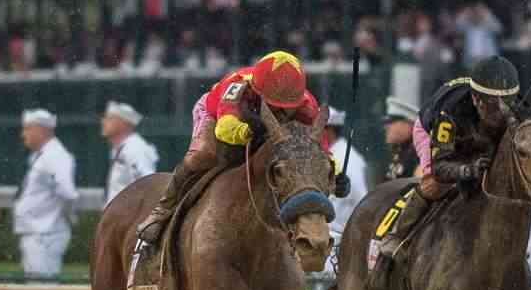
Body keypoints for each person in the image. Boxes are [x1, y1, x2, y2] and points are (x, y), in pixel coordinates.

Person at [368, 55, 523, 290]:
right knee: (435, 183)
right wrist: (468, 170)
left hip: (474, 136)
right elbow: (441, 167)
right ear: (476, 98)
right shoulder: (450, 110)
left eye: (505, 105)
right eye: (492, 107)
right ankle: (395, 241)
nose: (499, 114)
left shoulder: (511, 106)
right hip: (432, 133)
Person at [136, 50, 323, 247]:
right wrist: (248, 131)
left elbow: (317, 147)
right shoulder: (238, 84)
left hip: (258, 128)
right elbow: (224, 129)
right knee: (202, 156)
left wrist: (333, 170)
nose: (281, 112)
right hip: (216, 116)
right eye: (274, 105)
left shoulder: (308, 106)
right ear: (257, 91)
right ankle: (161, 211)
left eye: (288, 108)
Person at [15, 108, 77, 290]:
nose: (24, 135)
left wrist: (58, 220)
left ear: (42, 129)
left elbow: (67, 193)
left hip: (45, 233)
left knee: (43, 289)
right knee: (37, 287)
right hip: (38, 232)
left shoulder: (55, 156)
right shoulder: (43, 156)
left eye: (28, 128)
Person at [324, 106, 368, 245]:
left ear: (329, 130)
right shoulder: (328, 153)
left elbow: (362, 200)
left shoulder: (346, 158)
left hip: (339, 240)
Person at [101, 100, 157, 204]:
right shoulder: (119, 150)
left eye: (109, 118)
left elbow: (148, 186)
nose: (103, 122)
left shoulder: (136, 149)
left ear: (123, 124)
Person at [382, 97, 421, 180]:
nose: (386, 127)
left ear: (409, 123)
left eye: (391, 122)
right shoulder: (399, 151)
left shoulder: (421, 155)